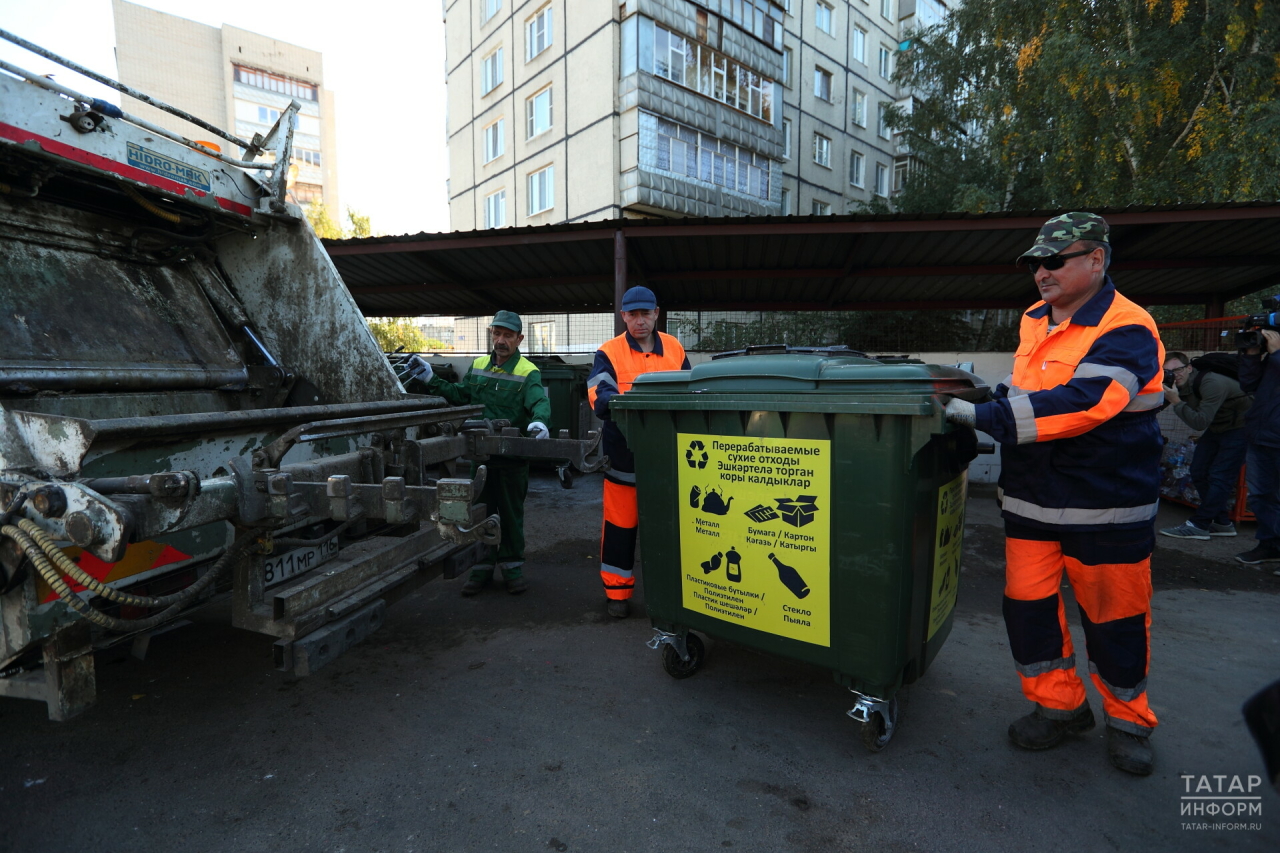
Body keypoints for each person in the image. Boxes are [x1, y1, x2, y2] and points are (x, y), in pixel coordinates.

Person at [944, 212, 1164, 776]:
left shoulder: (1127, 326)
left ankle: (1128, 720)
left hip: (1106, 507)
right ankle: (1059, 707)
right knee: (1029, 613)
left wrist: (984, 414)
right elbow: (1029, 393)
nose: (1042, 272)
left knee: (1114, 620)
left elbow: (1086, 402)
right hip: (1030, 503)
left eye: (1055, 260)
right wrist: (971, 392)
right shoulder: (1035, 321)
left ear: (1097, 259)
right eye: (1036, 263)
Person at [410, 311, 551, 595]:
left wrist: (540, 421)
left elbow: (539, 401)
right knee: (479, 512)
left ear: (519, 339)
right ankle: (481, 566)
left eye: (508, 335)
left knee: (511, 514)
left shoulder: (527, 371)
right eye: (497, 333)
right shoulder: (478, 366)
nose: (501, 340)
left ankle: (512, 566)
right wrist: (430, 378)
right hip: (481, 458)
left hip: (512, 459)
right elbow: (462, 395)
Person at [587, 286, 690, 618]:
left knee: (671, 528)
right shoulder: (608, 352)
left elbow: (690, 390)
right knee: (620, 526)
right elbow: (598, 393)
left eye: (646, 313)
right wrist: (614, 402)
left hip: (669, 459)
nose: (640, 320)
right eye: (633, 314)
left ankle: (678, 593)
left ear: (656, 314)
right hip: (624, 457)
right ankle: (617, 593)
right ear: (624, 317)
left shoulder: (674, 348)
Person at [1158, 351, 1251, 540]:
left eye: (1178, 369)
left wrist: (1175, 401)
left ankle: (1199, 525)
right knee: (1198, 471)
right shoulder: (1176, 385)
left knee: (1220, 476)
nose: (1175, 375)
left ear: (1189, 368)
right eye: (1168, 371)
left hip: (1243, 427)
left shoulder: (1211, 383)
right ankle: (1223, 523)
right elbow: (1155, 407)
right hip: (1219, 426)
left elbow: (1200, 422)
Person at [1236, 328, 1280, 569]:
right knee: (1262, 495)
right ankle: (1270, 545)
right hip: (1261, 436)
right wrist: (1252, 354)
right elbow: (1249, 384)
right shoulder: (1272, 356)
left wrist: (1277, 354)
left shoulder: (1276, 355)